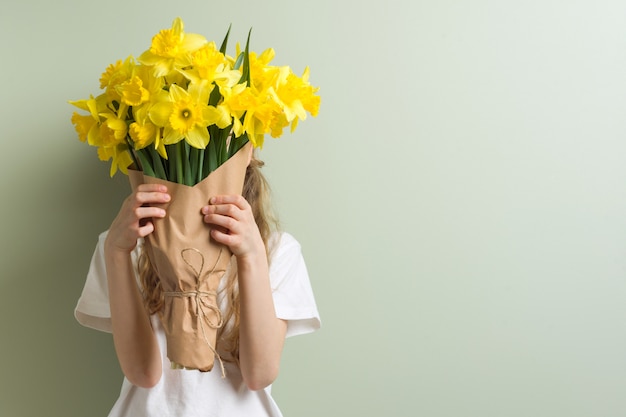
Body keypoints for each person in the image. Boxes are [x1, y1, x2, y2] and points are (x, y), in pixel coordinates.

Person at [74, 147, 321, 417]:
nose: (196, 146)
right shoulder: (127, 245)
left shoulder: (275, 250)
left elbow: (259, 374)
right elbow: (143, 374)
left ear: (248, 149)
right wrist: (116, 252)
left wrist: (251, 256)